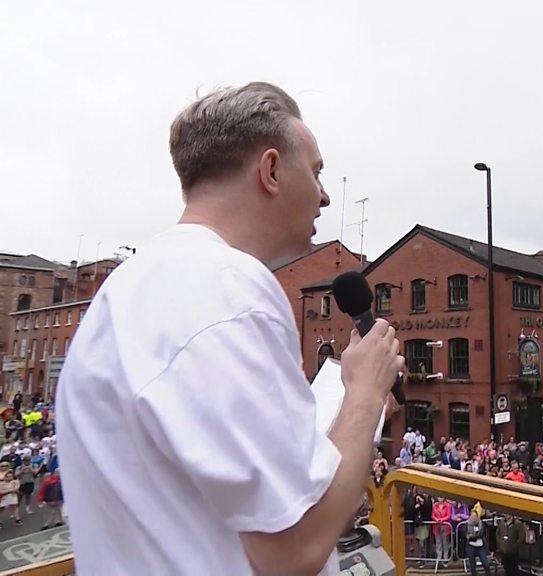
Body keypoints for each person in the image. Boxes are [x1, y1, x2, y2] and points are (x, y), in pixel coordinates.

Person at [55, 83, 402, 575]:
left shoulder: (125, 291)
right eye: (317, 171)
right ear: (272, 170)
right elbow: (295, 548)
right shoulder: (230, 293)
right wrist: (365, 395)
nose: (324, 196)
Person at [465, 511, 493, 576]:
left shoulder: (481, 523)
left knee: (485, 563)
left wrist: (472, 537)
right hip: (471, 546)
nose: (474, 518)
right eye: (472, 516)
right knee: (472, 565)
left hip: (481, 546)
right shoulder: (467, 524)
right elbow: (465, 535)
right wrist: (474, 537)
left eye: (475, 516)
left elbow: (481, 534)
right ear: (470, 517)